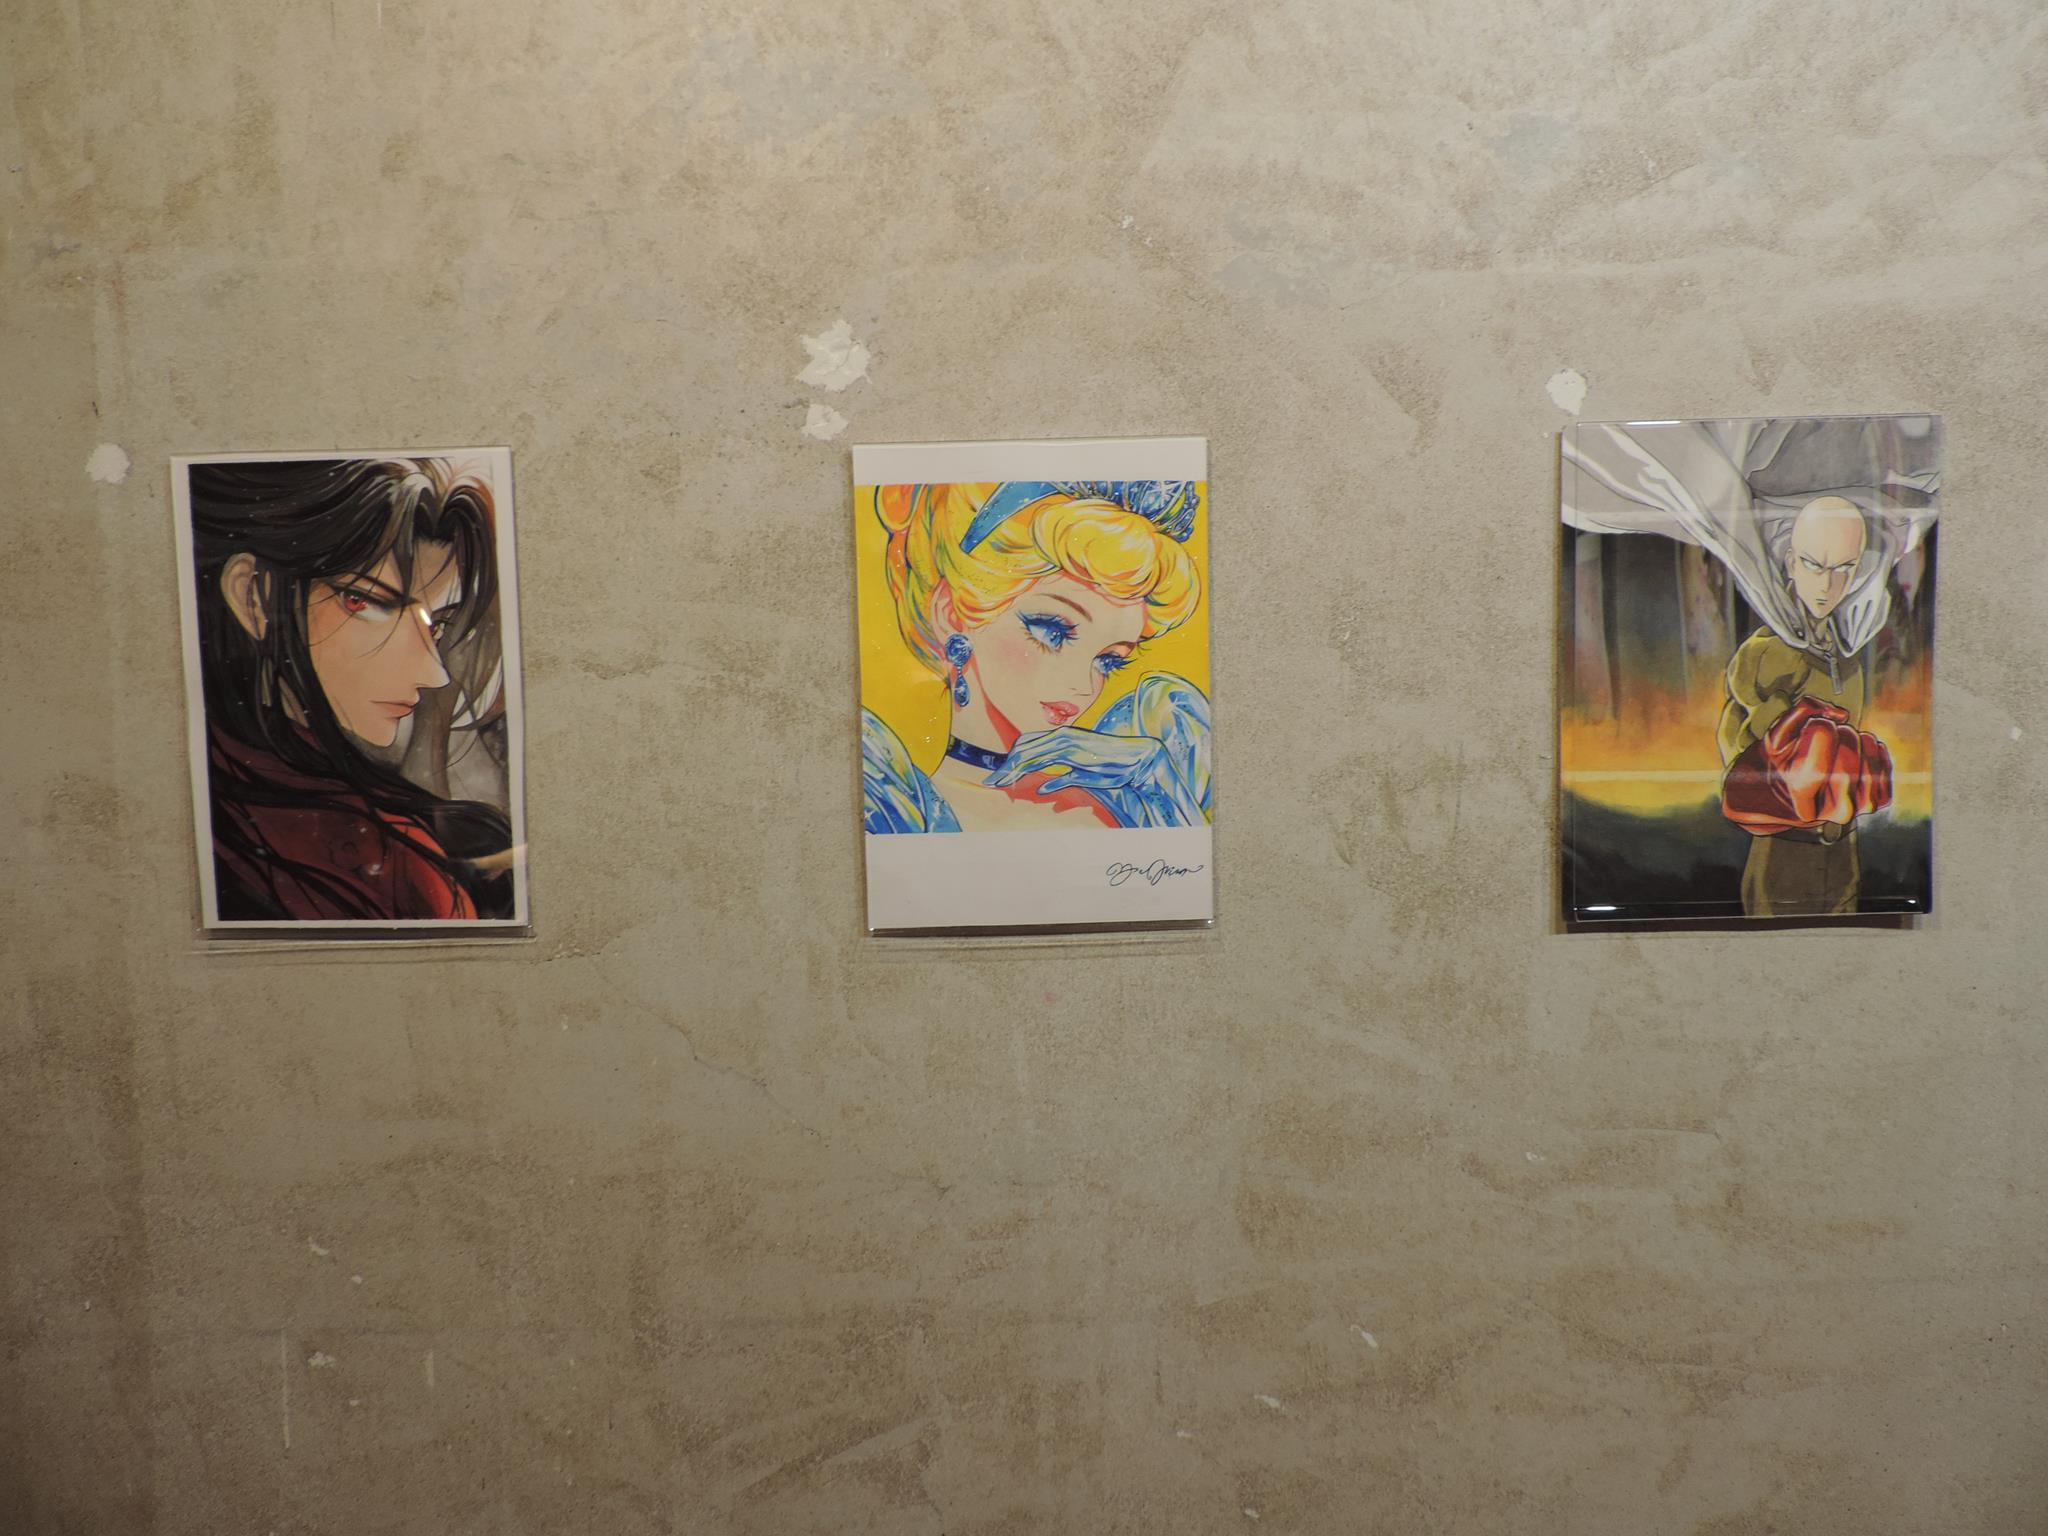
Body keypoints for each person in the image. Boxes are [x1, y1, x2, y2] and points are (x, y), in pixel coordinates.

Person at [188, 457, 515, 920]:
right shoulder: (397, 868)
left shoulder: (411, 840)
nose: (432, 672)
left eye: (436, 625)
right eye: (366, 602)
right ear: (253, 596)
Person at [861, 480, 1212, 833]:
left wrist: (1160, 786)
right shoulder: (897, 811)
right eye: (1051, 633)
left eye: (1108, 660)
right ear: (951, 615)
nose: (1083, 687)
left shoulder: (1141, 791)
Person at [1717, 497, 1892, 915]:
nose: (1827, 585)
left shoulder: (1847, 653)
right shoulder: (1768, 652)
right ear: (1792, 563)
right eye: (1814, 565)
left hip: (1842, 845)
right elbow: (1742, 756)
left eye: (1844, 568)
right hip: (1784, 851)